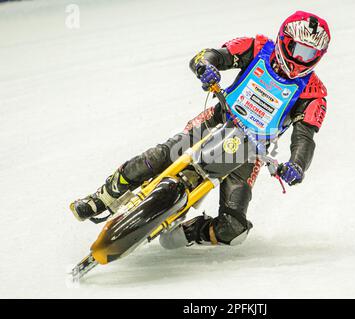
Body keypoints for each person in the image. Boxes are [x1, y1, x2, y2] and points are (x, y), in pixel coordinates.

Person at [70, 11, 331, 248]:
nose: (300, 59)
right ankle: (101, 199)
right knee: (161, 155)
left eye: (309, 55)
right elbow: (212, 55)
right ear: (284, 39)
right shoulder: (257, 47)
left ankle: (191, 232)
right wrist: (206, 66)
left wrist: (297, 166)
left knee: (234, 229)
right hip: (216, 120)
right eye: (296, 49)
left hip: (251, 154)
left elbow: (305, 137)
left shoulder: (313, 93)